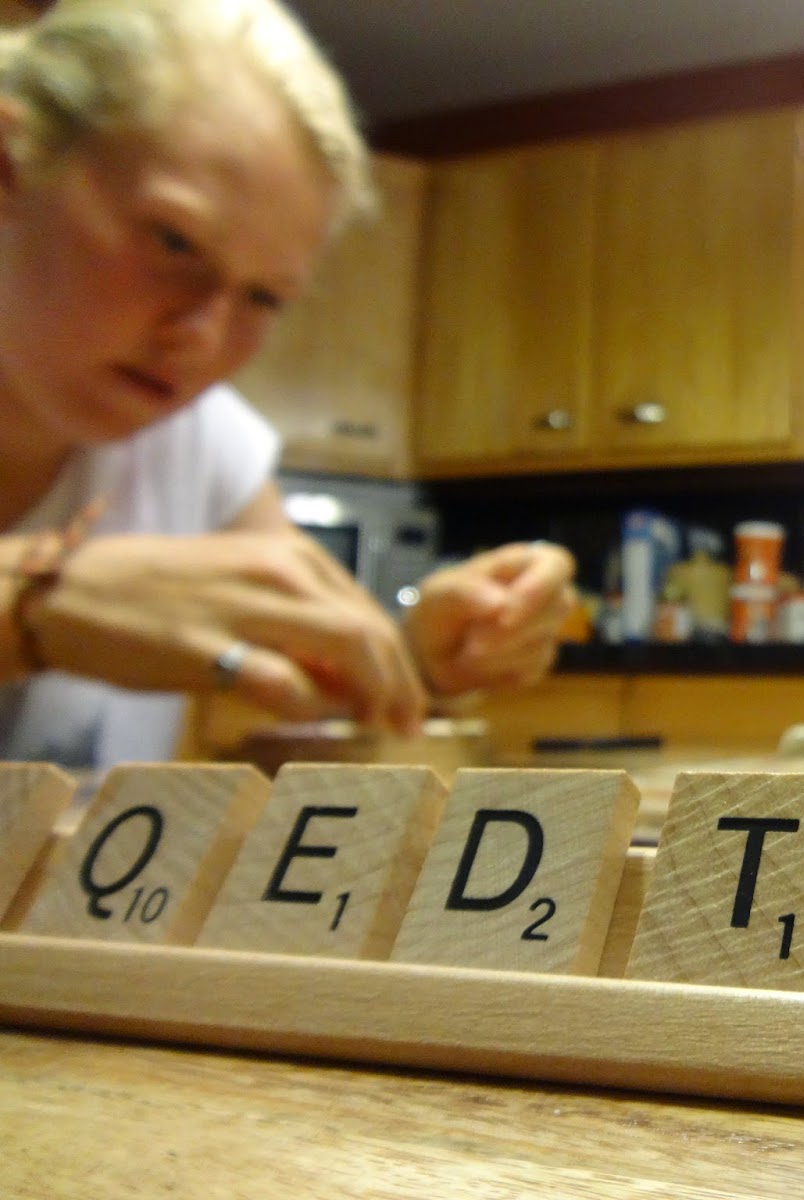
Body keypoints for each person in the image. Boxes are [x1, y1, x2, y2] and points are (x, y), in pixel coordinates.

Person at [0, 0, 576, 768]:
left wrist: (419, 657)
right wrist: (35, 603)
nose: (203, 338)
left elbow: (320, 660)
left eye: (264, 297)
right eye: (174, 243)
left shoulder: (201, 439)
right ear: (9, 164)